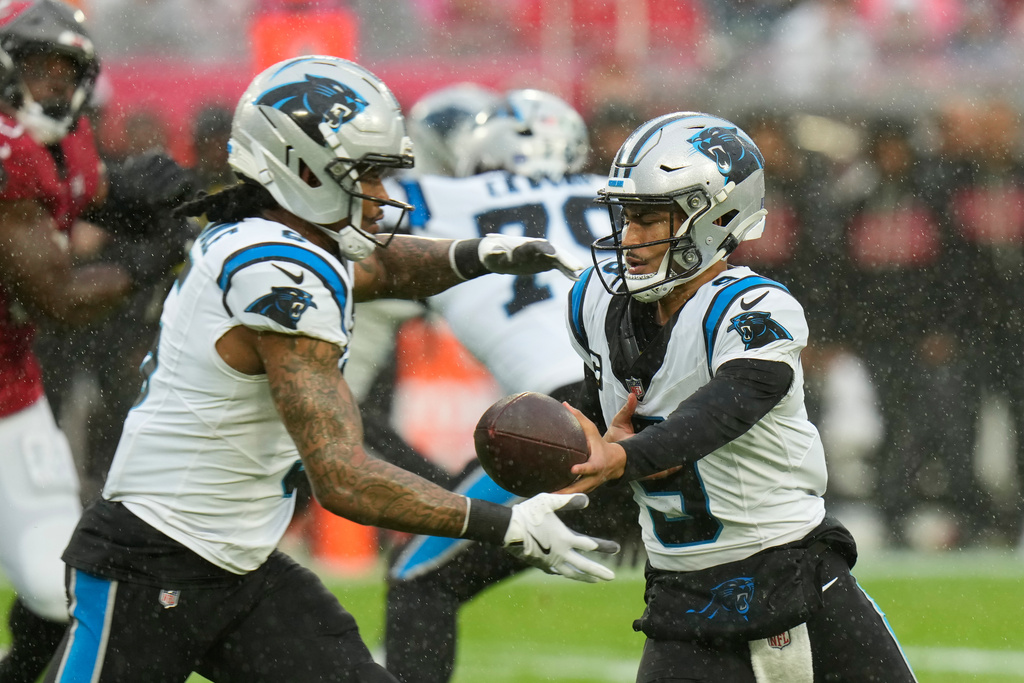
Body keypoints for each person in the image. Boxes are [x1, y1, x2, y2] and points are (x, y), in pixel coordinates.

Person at [43, 56, 618, 683]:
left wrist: (482, 252)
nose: (380, 197)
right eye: (366, 176)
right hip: (151, 562)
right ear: (302, 169)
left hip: (239, 564)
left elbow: (387, 267)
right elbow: (343, 477)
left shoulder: (276, 238)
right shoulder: (277, 276)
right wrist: (504, 523)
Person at [560, 112, 917, 681]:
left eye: (651, 219)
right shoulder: (594, 304)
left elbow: (721, 412)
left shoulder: (755, 308)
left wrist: (624, 458)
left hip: (789, 584)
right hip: (679, 599)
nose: (629, 238)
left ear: (715, 217)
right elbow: (591, 420)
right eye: (627, 218)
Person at [378, 87, 642, 683]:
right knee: (738, 577)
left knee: (420, 577)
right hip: (667, 407)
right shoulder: (617, 196)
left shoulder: (429, 197)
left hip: (567, 428)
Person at [0, 3, 194, 682]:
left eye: (64, 73)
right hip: (16, 374)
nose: (51, 87)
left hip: (10, 393)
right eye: (36, 70)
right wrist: (154, 258)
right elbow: (56, 300)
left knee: (60, 588)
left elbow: (86, 188)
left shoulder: (62, 142)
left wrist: (161, 195)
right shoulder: (8, 156)